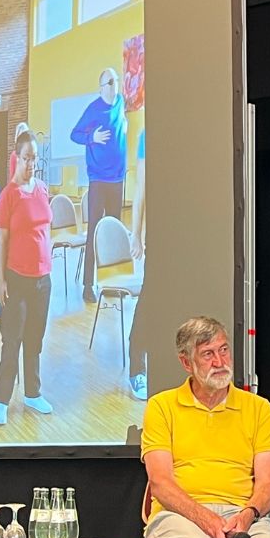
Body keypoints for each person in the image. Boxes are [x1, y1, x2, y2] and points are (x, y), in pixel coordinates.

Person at [141, 316, 270, 538]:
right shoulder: (161, 406)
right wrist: (207, 521)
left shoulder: (259, 408)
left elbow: (268, 483)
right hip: (179, 516)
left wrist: (247, 515)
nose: (220, 362)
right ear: (187, 363)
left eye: (224, 350)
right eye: (208, 354)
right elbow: (160, 483)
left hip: (242, 515)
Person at [0, 131, 54, 427]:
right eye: (27, 158)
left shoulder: (42, 188)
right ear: (17, 158)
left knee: (35, 339)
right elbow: (2, 241)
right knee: (12, 340)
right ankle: (3, 399)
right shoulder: (9, 195)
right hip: (16, 279)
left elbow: (45, 229)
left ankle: (33, 393)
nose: (32, 163)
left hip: (43, 280)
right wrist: (0, 280)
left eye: (35, 157)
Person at [71, 68, 126, 304]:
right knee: (94, 231)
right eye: (110, 82)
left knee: (114, 233)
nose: (114, 86)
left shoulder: (121, 102)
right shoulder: (93, 109)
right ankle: (87, 285)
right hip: (98, 180)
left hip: (118, 178)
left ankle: (112, 283)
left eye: (116, 81)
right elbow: (74, 134)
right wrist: (91, 137)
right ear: (101, 87)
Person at [125, 128, 149, 399]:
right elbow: (141, 190)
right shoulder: (146, 136)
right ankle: (137, 370)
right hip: (155, 239)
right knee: (148, 303)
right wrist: (136, 235)